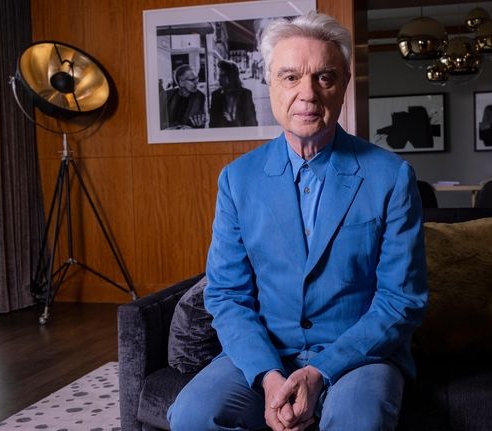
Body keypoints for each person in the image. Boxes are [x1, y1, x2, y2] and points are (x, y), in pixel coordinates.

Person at [167, 11, 427, 431]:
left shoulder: (391, 177)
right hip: (264, 352)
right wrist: (270, 377)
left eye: (323, 77)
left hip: (359, 354)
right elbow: (228, 295)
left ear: (343, 83)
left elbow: (402, 300)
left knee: (357, 420)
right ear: (270, 83)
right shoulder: (238, 180)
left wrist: (319, 372)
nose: (307, 94)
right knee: (193, 415)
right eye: (290, 77)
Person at [209, 59, 258, 127]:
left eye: (222, 76)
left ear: (231, 77)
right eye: (219, 76)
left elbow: (252, 124)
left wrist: (233, 122)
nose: (218, 79)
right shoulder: (215, 96)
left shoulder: (246, 95)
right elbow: (212, 125)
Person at [160, 64, 206, 129]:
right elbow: (157, 121)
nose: (196, 82)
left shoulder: (200, 96)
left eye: (196, 78)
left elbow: (201, 122)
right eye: (192, 80)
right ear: (181, 83)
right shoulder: (166, 95)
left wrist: (200, 125)